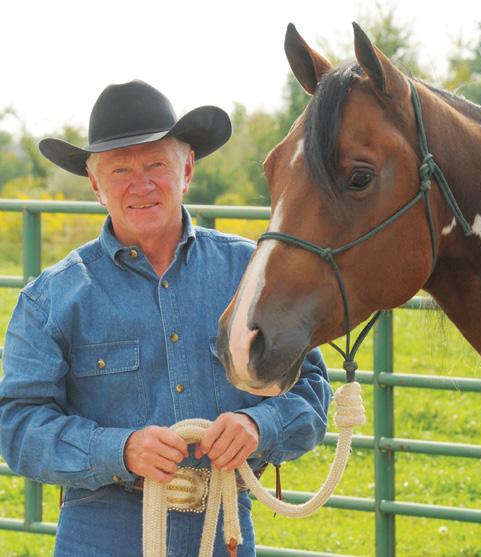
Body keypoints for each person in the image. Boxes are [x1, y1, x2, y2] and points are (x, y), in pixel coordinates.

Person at [0, 79, 332, 556]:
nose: (141, 185)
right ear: (96, 185)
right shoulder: (51, 299)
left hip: (222, 528)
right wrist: (119, 449)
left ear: (187, 169)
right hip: (101, 532)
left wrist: (259, 425)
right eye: (120, 170)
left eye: (156, 164)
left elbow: (310, 391)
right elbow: (17, 425)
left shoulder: (251, 276)